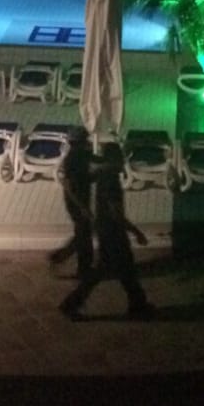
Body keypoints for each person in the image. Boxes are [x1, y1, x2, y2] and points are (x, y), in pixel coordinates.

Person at [59, 142, 155, 320]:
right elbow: (115, 212)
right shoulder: (111, 180)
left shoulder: (102, 175)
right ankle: (71, 303)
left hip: (105, 229)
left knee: (122, 269)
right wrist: (135, 231)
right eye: (120, 156)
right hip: (113, 233)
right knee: (115, 269)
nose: (123, 160)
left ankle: (137, 303)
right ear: (114, 158)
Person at [47, 130, 94, 278]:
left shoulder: (81, 155)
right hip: (77, 203)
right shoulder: (73, 158)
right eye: (85, 140)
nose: (88, 142)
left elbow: (85, 176)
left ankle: (82, 266)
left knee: (84, 233)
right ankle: (62, 258)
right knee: (83, 234)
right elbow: (68, 185)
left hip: (80, 201)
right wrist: (82, 207)